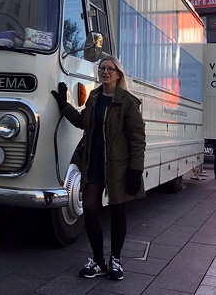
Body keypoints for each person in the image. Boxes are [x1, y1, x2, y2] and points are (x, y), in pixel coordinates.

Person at [52, 55, 146, 281]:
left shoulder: (128, 101)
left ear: (118, 74)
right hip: (93, 163)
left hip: (118, 166)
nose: (105, 72)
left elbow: (137, 138)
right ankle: (97, 260)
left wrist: (136, 169)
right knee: (91, 208)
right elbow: (84, 123)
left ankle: (116, 260)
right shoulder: (94, 98)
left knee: (117, 211)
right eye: (102, 68)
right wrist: (65, 106)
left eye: (110, 69)